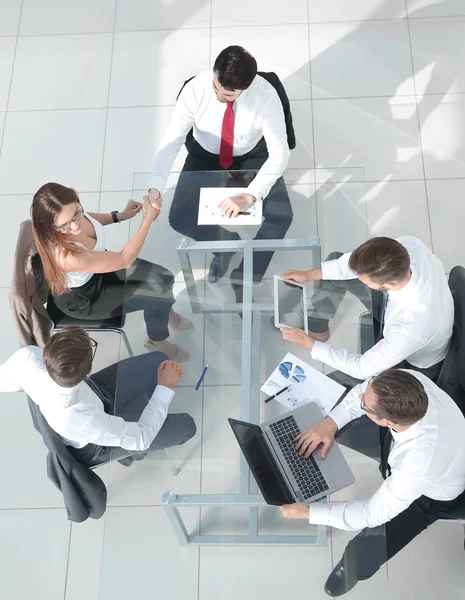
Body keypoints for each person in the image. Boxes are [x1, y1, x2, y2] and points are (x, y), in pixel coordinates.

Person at [281, 369, 465, 596]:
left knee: (373, 544)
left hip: (435, 494)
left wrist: (309, 512)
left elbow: (370, 513)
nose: (360, 399)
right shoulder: (409, 381)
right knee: (343, 420)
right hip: (421, 450)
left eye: (365, 405)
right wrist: (331, 423)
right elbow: (362, 390)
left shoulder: (417, 463)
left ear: (388, 421)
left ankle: (354, 568)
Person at [149, 45, 293, 297]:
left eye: (227, 95)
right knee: (179, 217)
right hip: (205, 154)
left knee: (282, 216)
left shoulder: (266, 95)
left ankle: (246, 276)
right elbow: (171, 142)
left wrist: (249, 196)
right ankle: (226, 247)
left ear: (245, 88)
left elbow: (280, 153)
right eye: (216, 87)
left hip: (251, 153)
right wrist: (155, 185)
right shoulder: (195, 89)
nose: (218, 97)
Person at [32, 182, 191, 362]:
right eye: (65, 226)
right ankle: (158, 342)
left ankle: (164, 310)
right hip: (86, 297)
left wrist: (120, 216)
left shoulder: (72, 215)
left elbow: (91, 220)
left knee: (165, 278)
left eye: (77, 213)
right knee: (157, 296)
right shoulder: (66, 256)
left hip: (98, 268)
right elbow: (124, 260)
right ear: (49, 227)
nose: (76, 226)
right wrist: (147, 220)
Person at [0, 326, 196, 466]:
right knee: (187, 427)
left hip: (94, 393)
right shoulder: (82, 420)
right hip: (94, 442)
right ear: (89, 371)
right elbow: (142, 437)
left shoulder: (28, 358)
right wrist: (164, 387)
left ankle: (129, 418)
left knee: (159, 360)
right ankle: (127, 451)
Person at [280, 236, 454, 385]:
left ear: (389, 284)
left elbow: (361, 368)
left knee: (350, 384)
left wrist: (306, 343)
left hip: (416, 360)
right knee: (335, 260)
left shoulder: (409, 327)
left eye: (364, 281)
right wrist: (309, 275)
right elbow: (353, 267)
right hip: (404, 316)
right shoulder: (410, 245)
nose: (361, 281)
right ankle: (318, 327)